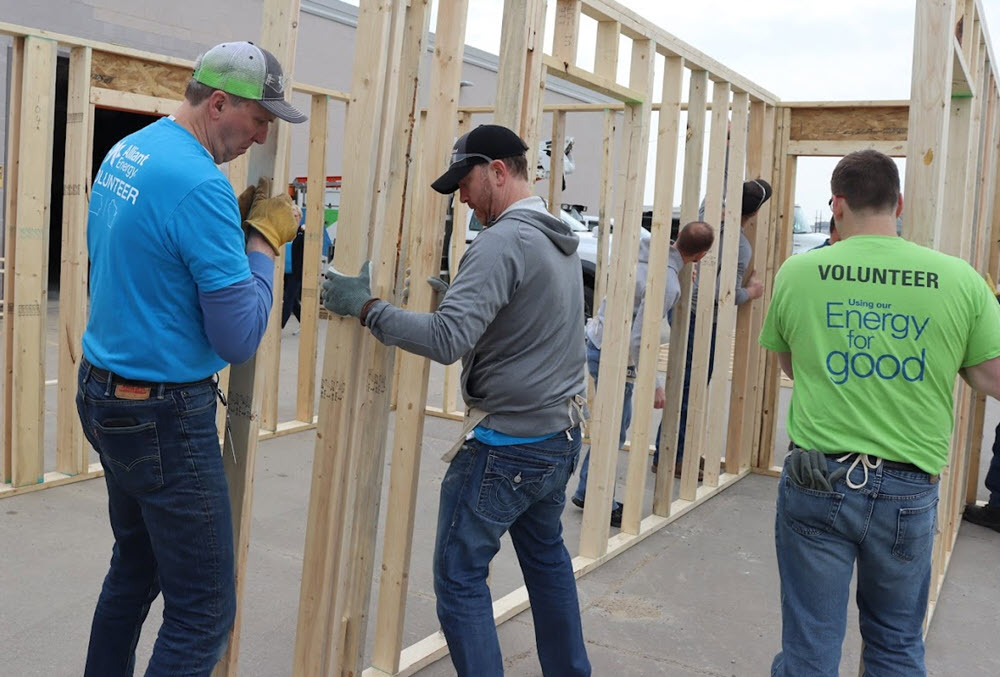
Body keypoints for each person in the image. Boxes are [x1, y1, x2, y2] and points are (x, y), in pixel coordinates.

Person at [321, 124, 591, 676]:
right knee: (546, 564)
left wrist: (366, 307)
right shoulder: (555, 234)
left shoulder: (500, 242)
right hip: (558, 436)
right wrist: (468, 298)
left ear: (497, 170)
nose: (462, 199)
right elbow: (532, 317)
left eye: (466, 183)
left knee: (460, 579)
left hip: (507, 447)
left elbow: (447, 341)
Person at [76, 41, 306, 677]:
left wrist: (223, 247)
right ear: (219, 101)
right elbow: (238, 338)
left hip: (105, 392)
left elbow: (154, 257)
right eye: (259, 118)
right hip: (161, 416)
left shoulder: (134, 150)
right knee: (204, 608)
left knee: (136, 567)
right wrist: (263, 242)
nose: (261, 134)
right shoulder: (201, 183)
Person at [759, 149, 1000, 676]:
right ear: (900, 204)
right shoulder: (958, 279)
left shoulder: (800, 272)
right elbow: (993, 377)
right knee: (894, 643)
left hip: (817, 478)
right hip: (908, 491)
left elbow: (792, 367)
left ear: (838, 205)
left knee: (810, 646)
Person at [570, 221, 715, 526]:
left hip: (598, 340)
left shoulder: (649, 255)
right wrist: (655, 384)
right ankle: (600, 501)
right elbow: (639, 338)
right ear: (701, 255)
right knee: (614, 431)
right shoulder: (667, 283)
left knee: (613, 426)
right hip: (615, 354)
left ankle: (588, 490)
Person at [668, 179, 770, 475]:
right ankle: (677, 458)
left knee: (682, 384)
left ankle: (671, 453)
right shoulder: (739, 247)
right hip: (702, 321)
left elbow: (710, 192)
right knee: (690, 387)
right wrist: (751, 292)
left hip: (681, 312)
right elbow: (721, 294)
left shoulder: (706, 217)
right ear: (754, 214)